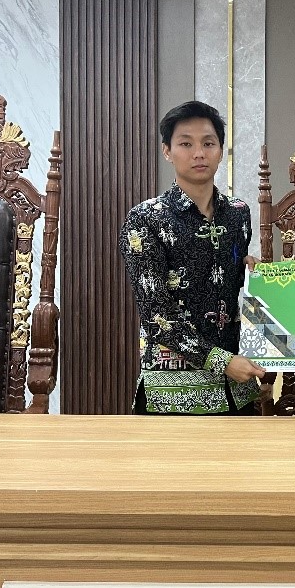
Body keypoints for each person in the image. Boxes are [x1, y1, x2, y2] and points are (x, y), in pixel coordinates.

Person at [119, 100, 265, 414]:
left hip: (236, 389)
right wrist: (223, 362)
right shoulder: (145, 219)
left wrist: (265, 278)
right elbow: (156, 314)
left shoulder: (238, 214)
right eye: (186, 144)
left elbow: (236, 292)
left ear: (221, 150)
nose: (199, 153)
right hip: (171, 394)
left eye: (208, 143)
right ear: (167, 151)